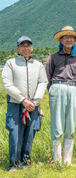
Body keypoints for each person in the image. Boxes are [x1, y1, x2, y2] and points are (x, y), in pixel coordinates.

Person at [2, 36, 48, 171]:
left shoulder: (38, 65)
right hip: (15, 104)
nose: (26, 48)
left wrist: (34, 101)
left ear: (32, 48)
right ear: (17, 48)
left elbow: (43, 82)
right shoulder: (11, 63)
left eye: (28, 45)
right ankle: (14, 164)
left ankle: (25, 162)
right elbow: (6, 84)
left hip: (33, 106)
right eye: (22, 45)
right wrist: (23, 99)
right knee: (15, 134)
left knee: (29, 135)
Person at [45, 26, 76, 164]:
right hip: (57, 87)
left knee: (70, 125)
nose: (69, 39)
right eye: (66, 37)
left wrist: (70, 88)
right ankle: (57, 160)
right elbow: (47, 77)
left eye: (72, 37)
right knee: (57, 125)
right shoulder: (53, 57)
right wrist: (55, 89)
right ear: (60, 40)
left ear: (75, 40)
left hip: (72, 89)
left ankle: (67, 160)